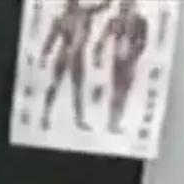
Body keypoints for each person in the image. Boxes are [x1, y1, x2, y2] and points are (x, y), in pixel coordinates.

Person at [40, 0, 112, 133]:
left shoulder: (83, 13)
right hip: (65, 54)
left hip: (76, 55)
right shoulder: (62, 18)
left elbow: (104, 6)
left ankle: (78, 119)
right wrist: (44, 54)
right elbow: (51, 38)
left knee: (77, 88)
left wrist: (44, 54)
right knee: (55, 84)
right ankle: (46, 115)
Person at [91, 0, 151, 135]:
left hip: (124, 57)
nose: (124, 7)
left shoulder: (131, 21)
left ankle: (113, 121)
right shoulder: (134, 20)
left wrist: (98, 53)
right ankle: (114, 122)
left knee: (120, 90)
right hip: (124, 59)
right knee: (121, 91)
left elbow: (101, 40)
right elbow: (142, 43)